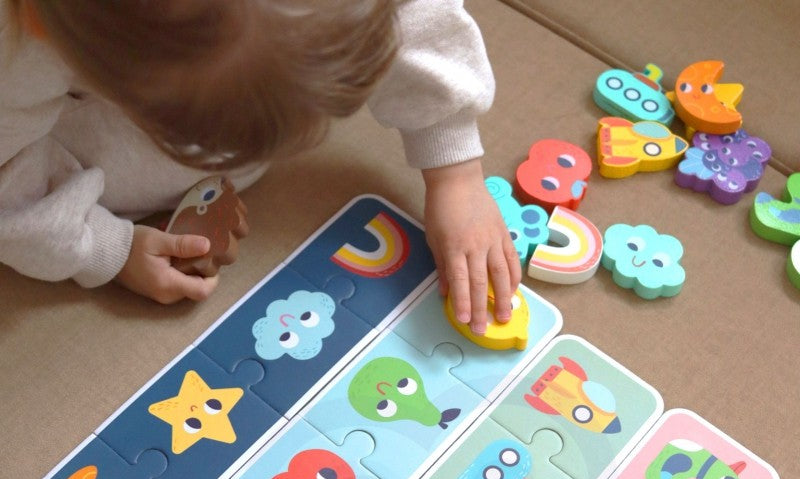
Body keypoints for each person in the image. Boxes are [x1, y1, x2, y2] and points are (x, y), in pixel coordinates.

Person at [0, 0, 520, 334]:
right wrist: (105, 247)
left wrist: (454, 169)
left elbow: (412, 15)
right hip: (70, 151)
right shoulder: (20, 46)